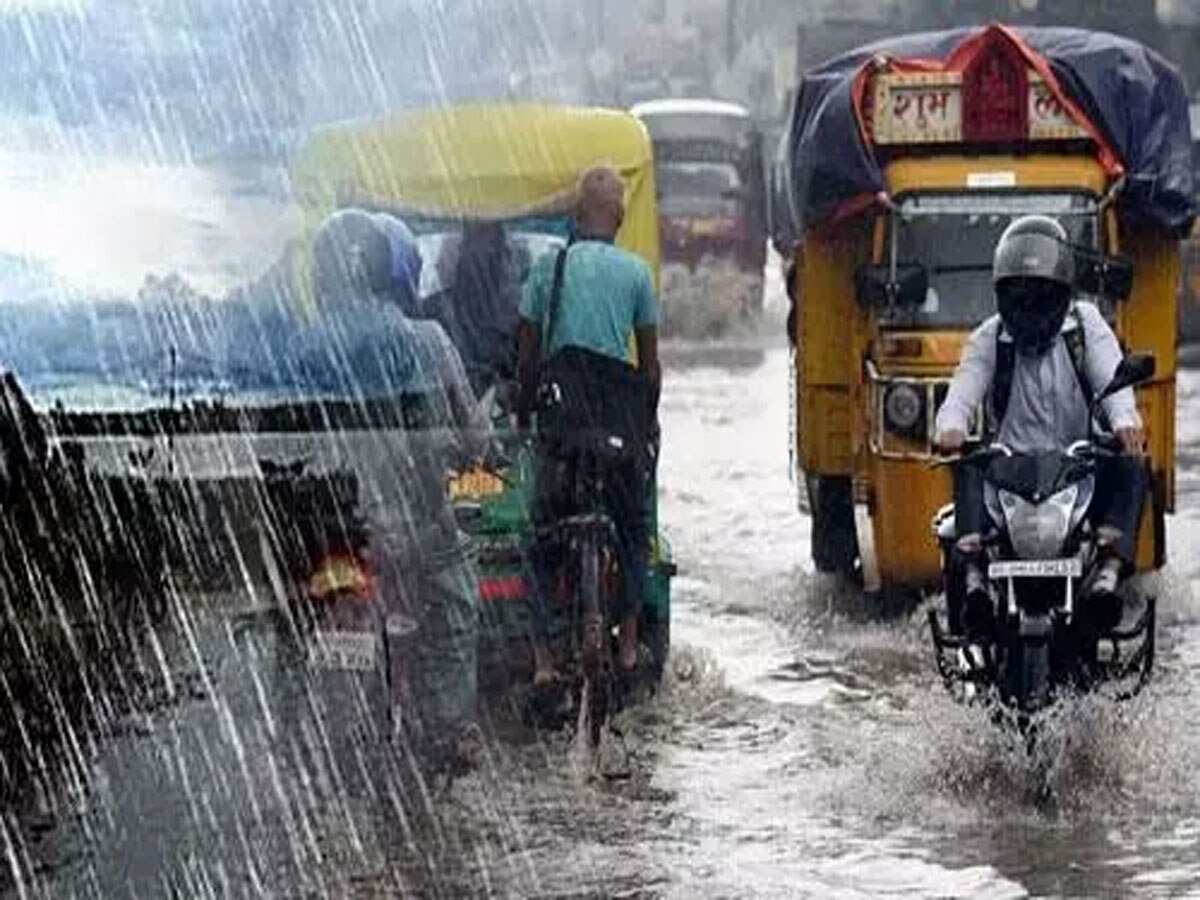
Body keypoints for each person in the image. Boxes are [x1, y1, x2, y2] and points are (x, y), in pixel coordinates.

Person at [308, 207, 490, 769]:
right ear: (398, 273)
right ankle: (450, 724)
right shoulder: (431, 341)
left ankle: (303, 731)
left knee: (295, 618)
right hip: (421, 528)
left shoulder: (312, 346)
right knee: (458, 597)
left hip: (337, 531)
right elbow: (473, 437)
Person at [934, 214, 1146, 637]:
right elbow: (961, 392)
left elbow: (1112, 378)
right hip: (1009, 474)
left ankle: (1107, 571)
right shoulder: (989, 339)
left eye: (1041, 297)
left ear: (1064, 294)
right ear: (1002, 297)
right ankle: (976, 578)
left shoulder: (1086, 327)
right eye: (1020, 297)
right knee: (968, 465)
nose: (1030, 308)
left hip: (1077, 470)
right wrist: (950, 428)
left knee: (1134, 465)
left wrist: (1125, 422)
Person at [516, 165, 662, 685]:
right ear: (619, 220)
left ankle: (543, 661)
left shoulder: (545, 271)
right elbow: (649, 369)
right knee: (634, 527)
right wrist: (646, 429)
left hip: (563, 423)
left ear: (576, 218)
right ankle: (625, 642)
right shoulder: (637, 274)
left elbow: (528, 359)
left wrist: (523, 412)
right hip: (618, 427)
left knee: (539, 536)